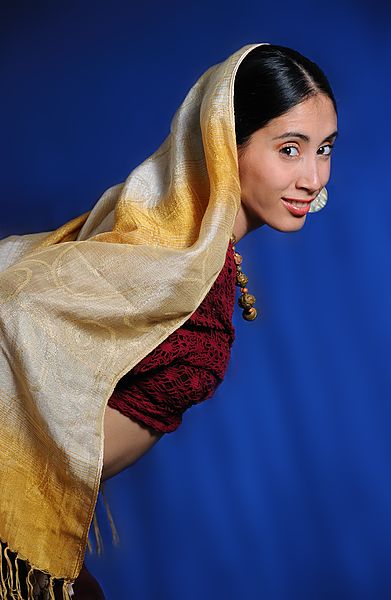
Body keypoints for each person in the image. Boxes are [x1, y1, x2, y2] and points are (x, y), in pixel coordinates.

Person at [0, 42, 337, 599]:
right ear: (227, 145)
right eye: (290, 149)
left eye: (323, 149)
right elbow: (22, 305)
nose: (313, 176)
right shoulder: (170, 261)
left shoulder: (189, 253)